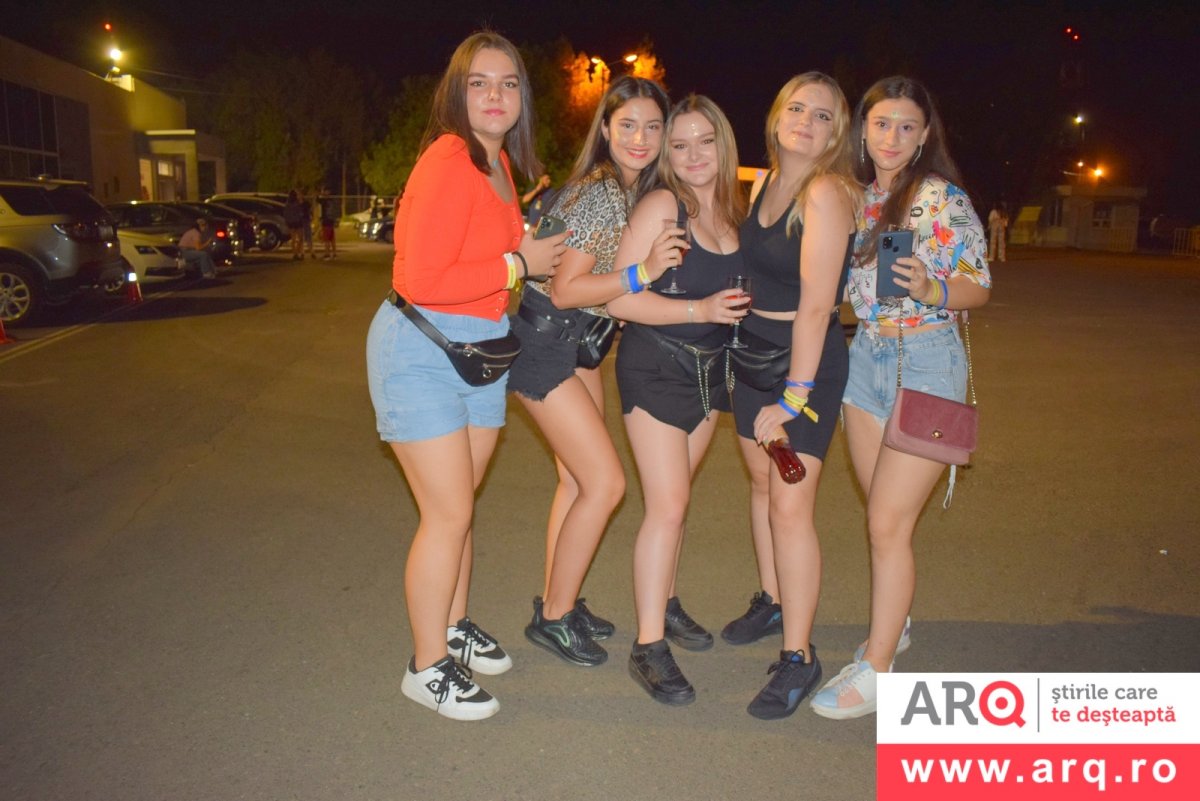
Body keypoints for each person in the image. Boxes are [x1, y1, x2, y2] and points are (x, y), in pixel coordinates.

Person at [364, 31, 567, 721]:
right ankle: (426, 667)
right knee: (448, 513)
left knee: (458, 509)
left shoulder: (498, 162)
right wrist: (520, 264)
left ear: (522, 97)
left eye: (508, 83)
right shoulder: (448, 159)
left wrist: (526, 252)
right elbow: (421, 278)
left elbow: (495, 255)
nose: (495, 95)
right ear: (457, 92)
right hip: (422, 351)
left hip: (479, 351)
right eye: (479, 82)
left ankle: (451, 626)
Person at [810, 76, 991, 720]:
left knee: (887, 523)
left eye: (906, 126)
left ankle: (879, 669)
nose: (892, 137)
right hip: (866, 359)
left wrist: (933, 289)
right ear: (863, 128)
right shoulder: (854, 197)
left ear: (924, 136)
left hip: (929, 359)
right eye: (882, 123)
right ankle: (897, 618)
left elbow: (978, 286)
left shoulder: (941, 198)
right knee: (882, 516)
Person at [507, 75, 678, 668]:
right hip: (546, 343)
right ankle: (553, 618)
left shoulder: (625, 190)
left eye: (652, 127)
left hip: (578, 344)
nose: (640, 138)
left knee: (577, 483)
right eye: (627, 125)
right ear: (605, 128)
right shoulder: (602, 192)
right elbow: (563, 289)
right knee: (605, 485)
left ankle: (560, 597)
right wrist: (642, 273)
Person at [722, 72, 860, 719]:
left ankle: (799, 655)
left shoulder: (825, 193)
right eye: (798, 108)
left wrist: (795, 398)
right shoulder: (764, 182)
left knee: (789, 508)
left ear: (836, 134)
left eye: (823, 115)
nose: (807, 121)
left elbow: (815, 307)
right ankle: (774, 598)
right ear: (778, 117)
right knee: (761, 486)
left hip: (803, 366)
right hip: (754, 355)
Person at [607, 95, 749, 705]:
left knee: (678, 500)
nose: (693, 155)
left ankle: (664, 601)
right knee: (667, 507)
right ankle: (648, 645)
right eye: (680, 144)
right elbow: (619, 299)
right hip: (656, 368)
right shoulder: (663, 206)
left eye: (705, 142)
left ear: (723, 145)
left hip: (709, 374)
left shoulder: (734, 211)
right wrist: (700, 309)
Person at [282, 190, 306, 260]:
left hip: (291, 223)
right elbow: (301, 212)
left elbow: (285, 214)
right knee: (300, 238)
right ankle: (298, 252)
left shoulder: (288, 204)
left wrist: (287, 222)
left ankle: (295, 253)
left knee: (293, 239)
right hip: (298, 222)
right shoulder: (297, 203)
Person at [318, 187, 338, 260]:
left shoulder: (325, 201)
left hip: (326, 221)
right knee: (332, 238)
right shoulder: (332, 200)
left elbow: (317, 199)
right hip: (331, 221)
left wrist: (321, 194)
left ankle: (327, 254)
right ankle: (334, 253)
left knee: (327, 239)